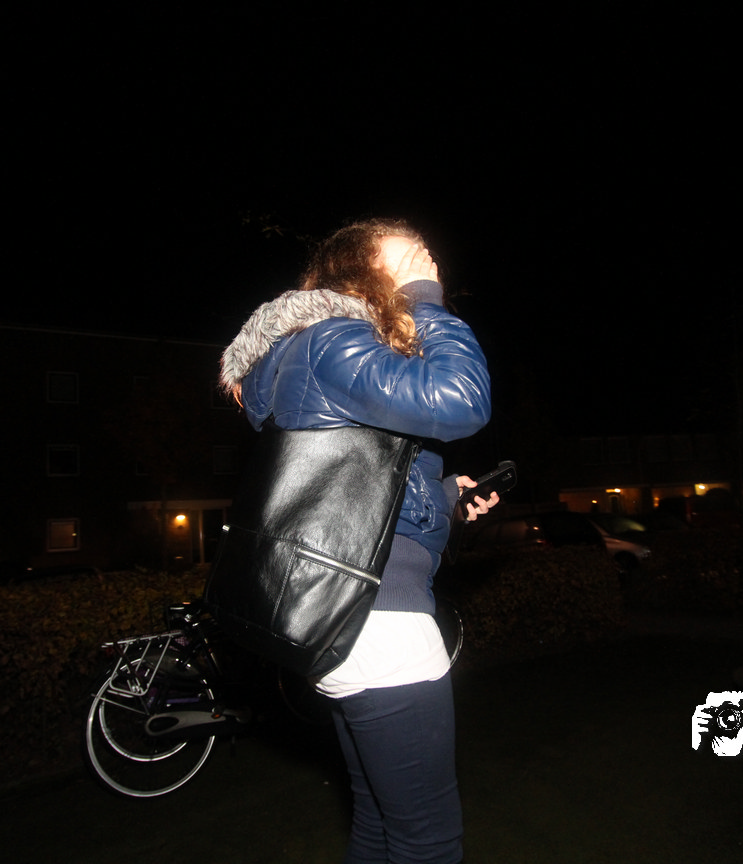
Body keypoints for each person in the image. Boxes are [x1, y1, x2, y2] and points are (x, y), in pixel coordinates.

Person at [220, 218, 497, 864]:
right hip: (378, 616)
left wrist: (446, 495)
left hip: (348, 616)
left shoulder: (319, 349)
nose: (428, 263)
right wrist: (425, 299)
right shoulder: (331, 340)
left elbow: (352, 483)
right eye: (410, 255)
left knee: (378, 824)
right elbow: (460, 397)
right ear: (360, 268)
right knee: (428, 842)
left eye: (430, 256)